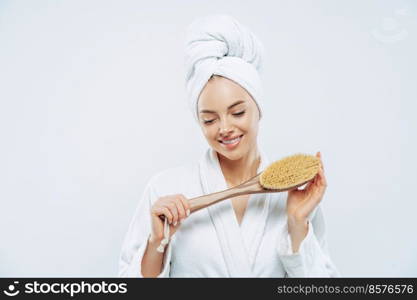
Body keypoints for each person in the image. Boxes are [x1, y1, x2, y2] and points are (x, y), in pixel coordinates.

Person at [118, 14, 340, 277]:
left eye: (237, 113)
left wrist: (296, 223)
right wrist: (157, 243)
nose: (224, 128)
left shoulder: (294, 193)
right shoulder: (165, 189)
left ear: (258, 109)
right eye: (209, 119)